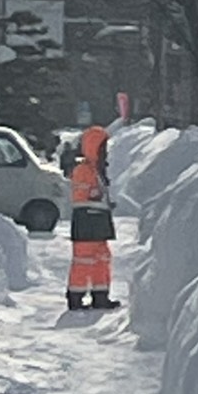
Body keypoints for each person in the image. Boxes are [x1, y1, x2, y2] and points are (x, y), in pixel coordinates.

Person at [66, 124, 120, 310]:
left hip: (98, 221)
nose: (106, 152)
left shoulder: (97, 170)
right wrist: (94, 195)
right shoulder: (84, 170)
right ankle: (76, 297)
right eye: (102, 147)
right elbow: (81, 195)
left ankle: (100, 296)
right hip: (86, 221)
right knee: (84, 260)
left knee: (102, 259)